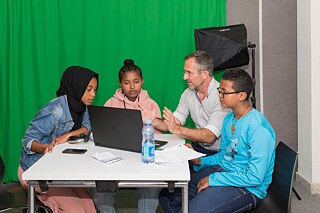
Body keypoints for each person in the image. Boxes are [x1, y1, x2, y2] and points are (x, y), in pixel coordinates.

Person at [159, 68, 276, 213]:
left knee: (194, 210)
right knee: (168, 197)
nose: (219, 95)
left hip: (247, 188)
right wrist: (200, 161)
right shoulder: (229, 119)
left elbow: (255, 177)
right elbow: (225, 155)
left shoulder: (258, 128)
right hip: (225, 171)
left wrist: (214, 179)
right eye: (219, 90)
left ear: (242, 95)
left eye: (223, 92)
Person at [17, 66, 98, 213]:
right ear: (77, 86)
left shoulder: (80, 106)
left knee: (89, 206)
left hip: (56, 169)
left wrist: (68, 135)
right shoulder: (55, 111)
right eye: (89, 89)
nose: (93, 94)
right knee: (77, 210)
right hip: (34, 170)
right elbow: (28, 141)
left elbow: (87, 125)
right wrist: (45, 147)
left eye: (95, 90)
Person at [91, 59, 162, 213]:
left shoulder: (151, 105)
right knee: (101, 188)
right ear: (120, 83)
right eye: (127, 82)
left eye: (136, 82)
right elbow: (103, 131)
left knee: (151, 188)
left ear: (142, 81)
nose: (132, 87)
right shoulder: (110, 103)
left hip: (143, 157)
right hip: (115, 156)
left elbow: (158, 137)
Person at [152, 51, 230, 155]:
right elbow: (173, 123)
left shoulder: (222, 96)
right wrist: (150, 119)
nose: (184, 77)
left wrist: (177, 129)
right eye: (185, 72)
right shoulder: (188, 93)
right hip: (198, 148)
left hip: (221, 154)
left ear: (204, 74)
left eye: (189, 73)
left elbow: (209, 136)